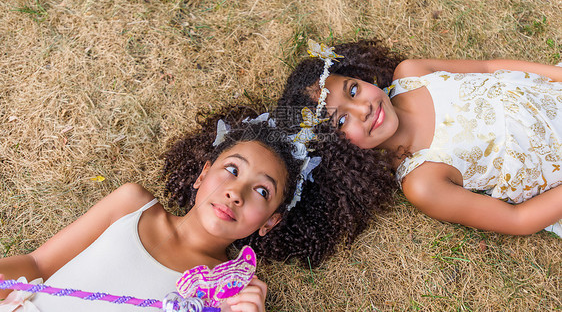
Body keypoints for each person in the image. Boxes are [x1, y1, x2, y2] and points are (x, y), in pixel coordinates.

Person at [0, 107, 373, 311]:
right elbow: (36, 265)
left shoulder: (227, 291)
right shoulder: (132, 205)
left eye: (261, 190)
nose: (235, 193)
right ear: (202, 175)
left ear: (270, 222)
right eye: (231, 170)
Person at [277, 39, 562, 237]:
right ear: (340, 149)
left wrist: (557, 75)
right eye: (341, 120)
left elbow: (489, 68)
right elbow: (519, 220)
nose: (363, 108)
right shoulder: (422, 181)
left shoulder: (412, 73)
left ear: (359, 76)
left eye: (352, 91)